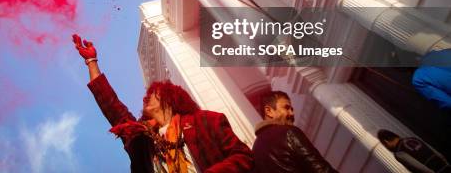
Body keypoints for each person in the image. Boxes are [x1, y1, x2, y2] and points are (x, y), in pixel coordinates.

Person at [73, 34, 254, 172]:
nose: (146, 97)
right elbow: (110, 104)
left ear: (170, 98)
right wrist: (91, 61)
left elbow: (244, 157)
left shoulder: (207, 121)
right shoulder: (141, 139)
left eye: (153, 93)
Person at [251, 91, 337, 173]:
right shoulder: (288, 132)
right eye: (286, 108)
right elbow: (321, 169)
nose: (292, 113)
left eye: (291, 109)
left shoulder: (255, 150)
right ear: (269, 111)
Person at [378, 129, 450, 173]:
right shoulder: (412, 138)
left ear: (386, 142)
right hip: (444, 165)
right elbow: (431, 149)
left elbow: (416, 166)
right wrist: (445, 162)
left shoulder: (399, 153)